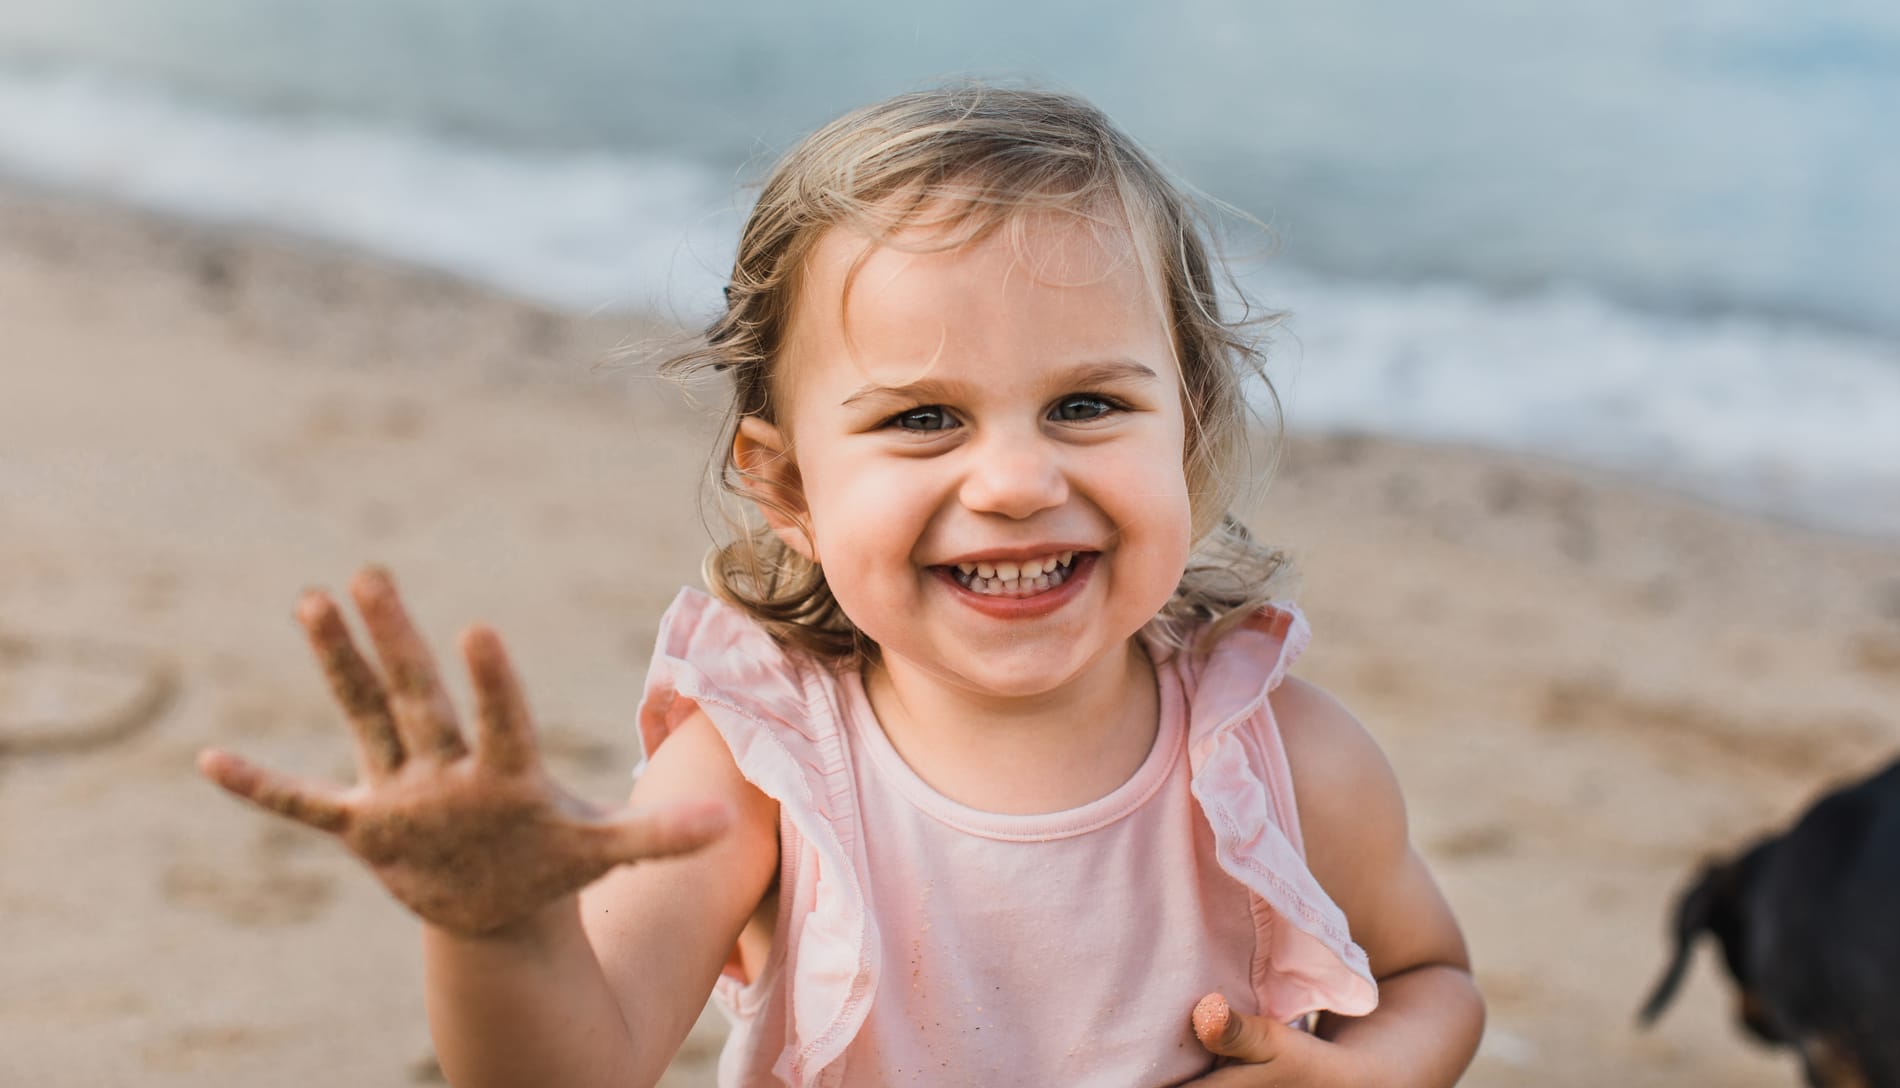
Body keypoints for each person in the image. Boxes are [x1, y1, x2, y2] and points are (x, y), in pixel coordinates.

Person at [198, 84, 1484, 1087]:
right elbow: (572, 1064)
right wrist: (488, 927)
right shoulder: (756, 775)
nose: (1015, 480)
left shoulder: (1283, 756)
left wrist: (1371, 1065)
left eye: (1087, 403)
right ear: (789, 486)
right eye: (924, 417)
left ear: (1188, 434)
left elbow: (1433, 976)